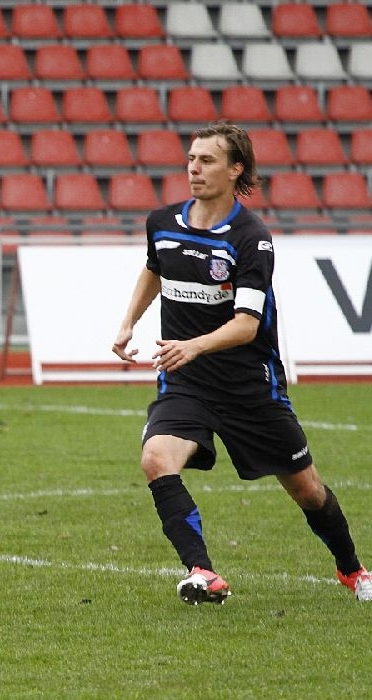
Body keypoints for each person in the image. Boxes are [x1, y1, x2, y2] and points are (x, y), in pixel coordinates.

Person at [112, 120, 372, 605]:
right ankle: (202, 571)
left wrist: (193, 344)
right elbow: (154, 268)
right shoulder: (164, 222)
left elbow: (247, 325)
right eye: (191, 158)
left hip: (251, 386)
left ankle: (353, 570)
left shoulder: (252, 237)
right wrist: (128, 322)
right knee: (155, 458)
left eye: (206, 160)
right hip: (187, 382)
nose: (194, 168)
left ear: (236, 170)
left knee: (307, 490)